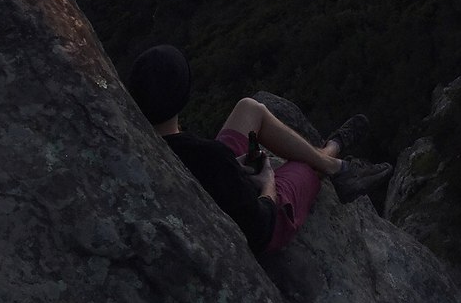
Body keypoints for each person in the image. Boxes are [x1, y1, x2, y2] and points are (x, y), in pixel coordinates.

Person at [128, 44, 393, 254]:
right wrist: (268, 183)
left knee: (249, 108)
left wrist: (234, 168)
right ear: (183, 95)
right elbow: (259, 226)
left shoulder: (142, 146)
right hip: (267, 221)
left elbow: (213, 169)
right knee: (304, 165)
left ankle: (335, 158)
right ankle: (333, 153)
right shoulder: (210, 156)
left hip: (220, 177)